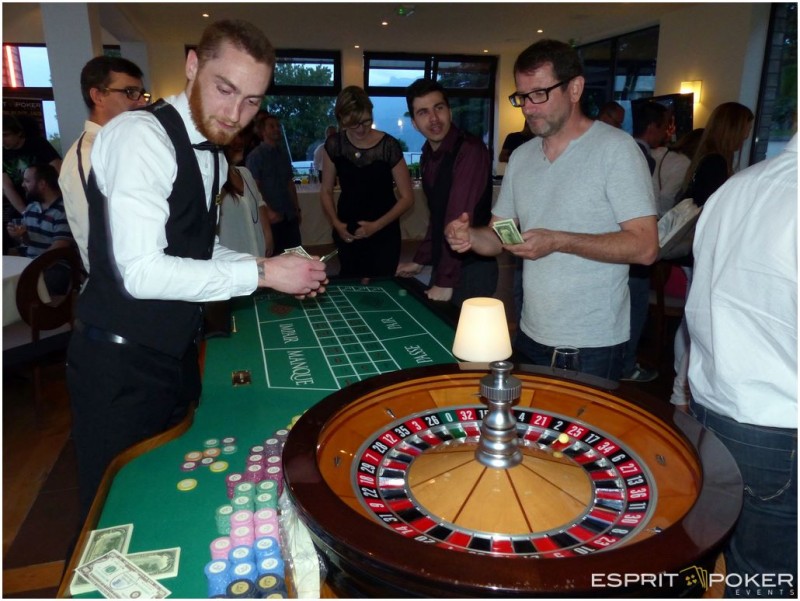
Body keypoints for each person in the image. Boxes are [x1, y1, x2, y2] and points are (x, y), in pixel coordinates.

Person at [66, 19, 328, 516]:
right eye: (225, 89)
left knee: (164, 499)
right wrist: (264, 275)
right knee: (112, 511)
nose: (234, 114)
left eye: (251, 101)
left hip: (175, 354)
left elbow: (198, 250)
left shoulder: (213, 155)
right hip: (118, 365)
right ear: (192, 66)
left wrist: (266, 262)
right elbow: (141, 272)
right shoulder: (139, 135)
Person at [445, 39, 658, 381]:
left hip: (593, 343)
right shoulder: (521, 157)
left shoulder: (616, 150)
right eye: (522, 96)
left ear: (575, 88)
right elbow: (500, 235)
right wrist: (469, 236)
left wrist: (559, 241)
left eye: (539, 94)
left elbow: (645, 247)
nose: (528, 108)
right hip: (530, 332)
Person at [686, 134, 796, 597]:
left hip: (710, 411)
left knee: (713, 556)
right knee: (767, 581)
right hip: (779, 430)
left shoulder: (736, 187)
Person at [669, 102, 754, 406]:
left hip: (694, 248)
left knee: (691, 316)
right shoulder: (717, 162)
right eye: (745, 128)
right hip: (702, 250)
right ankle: (681, 385)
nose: (747, 135)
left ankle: (680, 383)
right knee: (695, 318)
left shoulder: (706, 157)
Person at [396, 79, 497, 306]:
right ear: (414, 123)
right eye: (423, 112)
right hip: (446, 266)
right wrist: (420, 261)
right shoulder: (427, 154)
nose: (433, 118)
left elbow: (457, 220)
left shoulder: (470, 150)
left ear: (449, 111)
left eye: (438, 108)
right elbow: (438, 217)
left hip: (471, 270)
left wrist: (445, 280)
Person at [59, 55, 150, 273]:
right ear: (98, 96)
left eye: (142, 93)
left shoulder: (123, 146)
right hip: (119, 283)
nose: (142, 102)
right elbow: (97, 236)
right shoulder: (87, 156)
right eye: (130, 92)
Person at [320, 85, 414, 279]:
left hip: (384, 229)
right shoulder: (334, 145)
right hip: (348, 227)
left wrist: (375, 226)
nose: (361, 129)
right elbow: (326, 191)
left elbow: (407, 198)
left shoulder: (388, 146)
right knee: (351, 282)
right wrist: (336, 223)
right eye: (354, 124)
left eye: (366, 121)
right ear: (341, 119)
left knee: (382, 285)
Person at [620, 101, 671, 383]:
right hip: (631, 248)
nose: (666, 133)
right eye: (664, 127)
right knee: (634, 306)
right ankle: (625, 365)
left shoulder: (629, 150)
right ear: (652, 127)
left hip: (626, 246)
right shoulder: (637, 156)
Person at [6, 163, 74, 294]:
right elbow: (28, 242)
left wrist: (33, 266)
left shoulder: (64, 209)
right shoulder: (31, 207)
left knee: (21, 287)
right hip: (32, 263)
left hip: (57, 266)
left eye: (27, 181)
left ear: (42, 184)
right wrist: (20, 235)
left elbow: (60, 245)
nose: (22, 185)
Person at [2, 115, 62, 253]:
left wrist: (55, 202)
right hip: (21, 205)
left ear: (19, 133)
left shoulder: (37, 144)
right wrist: (25, 212)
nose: (2, 140)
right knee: (25, 243)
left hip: (48, 203)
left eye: (5, 135)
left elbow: (57, 169)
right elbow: (6, 186)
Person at [246, 112, 302, 255]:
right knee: (275, 258)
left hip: (289, 214)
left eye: (278, 126)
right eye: (271, 126)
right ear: (262, 131)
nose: (277, 129)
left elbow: (289, 183)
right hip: (271, 217)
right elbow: (254, 188)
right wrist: (268, 212)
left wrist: (297, 208)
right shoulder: (255, 156)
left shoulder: (283, 154)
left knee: (296, 255)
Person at [218, 129, 274, 257]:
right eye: (233, 138)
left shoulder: (245, 173)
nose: (240, 142)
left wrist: (268, 234)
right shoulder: (215, 180)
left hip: (257, 251)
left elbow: (259, 203)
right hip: (231, 256)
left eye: (239, 136)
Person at [651, 127, 701, 218]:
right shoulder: (684, 163)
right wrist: (667, 219)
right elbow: (666, 196)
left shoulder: (660, 152)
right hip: (657, 216)